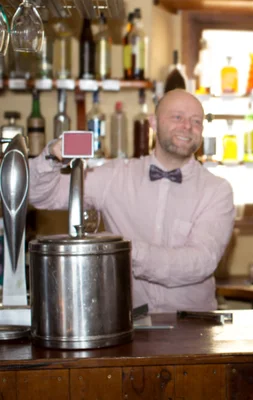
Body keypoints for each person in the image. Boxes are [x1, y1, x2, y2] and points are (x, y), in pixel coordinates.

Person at [28, 89, 235, 313]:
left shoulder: (217, 190)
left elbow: (200, 262)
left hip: (193, 327)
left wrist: (123, 250)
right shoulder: (115, 176)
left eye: (196, 121)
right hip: (125, 323)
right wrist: (51, 157)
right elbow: (40, 195)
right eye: (177, 117)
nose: (187, 126)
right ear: (153, 123)